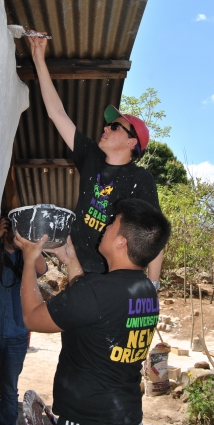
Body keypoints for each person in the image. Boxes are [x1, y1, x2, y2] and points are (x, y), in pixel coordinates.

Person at [15, 198, 171, 425]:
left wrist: (29, 260)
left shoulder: (97, 292)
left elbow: (32, 317)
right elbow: (95, 304)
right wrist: (70, 260)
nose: (106, 227)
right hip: (124, 419)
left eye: (112, 224)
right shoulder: (145, 290)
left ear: (122, 242)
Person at [28, 34, 163, 285]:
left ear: (132, 142)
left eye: (115, 126)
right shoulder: (91, 157)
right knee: (74, 325)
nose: (106, 127)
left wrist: (152, 285)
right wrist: (38, 59)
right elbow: (57, 114)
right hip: (77, 267)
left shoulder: (140, 180)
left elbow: (153, 236)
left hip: (114, 277)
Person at [0, 217, 47, 425]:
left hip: (16, 335)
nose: (10, 235)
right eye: (8, 229)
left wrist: (26, 243)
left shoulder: (25, 259)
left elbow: (42, 269)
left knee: (9, 392)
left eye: (14, 230)